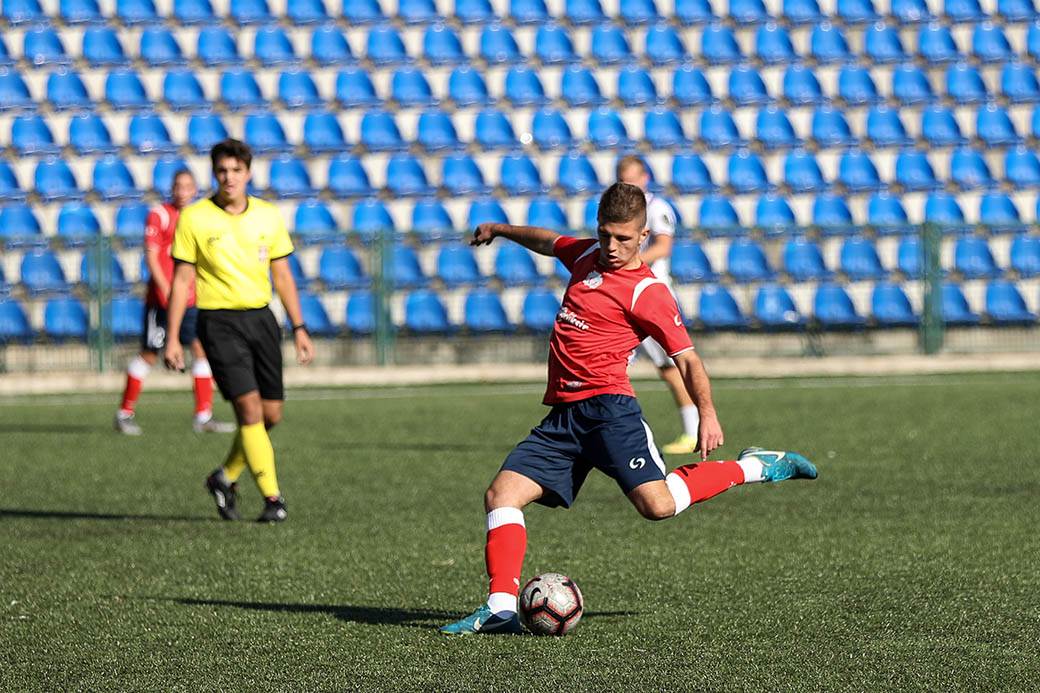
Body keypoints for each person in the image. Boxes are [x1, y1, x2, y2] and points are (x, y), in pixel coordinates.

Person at [440, 183, 817, 635]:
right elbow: (547, 241)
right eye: (605, 235)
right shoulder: (584, 257)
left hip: (609, 412)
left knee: (657, 506)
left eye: (623, 238)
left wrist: (708, 414)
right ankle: (500, 610)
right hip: (564, 416)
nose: (612, 247)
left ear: (643, 236)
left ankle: (753, 466)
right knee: (501, 495)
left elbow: (688, 358)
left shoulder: (648, 292)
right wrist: (500, 229)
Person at [164, 139, 314, 523]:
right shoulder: (194, 218)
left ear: (248, 173)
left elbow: (282, 274)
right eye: (222, 171)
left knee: (271, 415)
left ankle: (224, 476)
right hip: (218, 323)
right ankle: (273, 499)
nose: (229, 178)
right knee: (248, 411)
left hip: (262, 320)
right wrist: (173, 336)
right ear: (214, 174)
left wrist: (299, 327)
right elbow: (182, 281)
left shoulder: (267, 215)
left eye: (236, 170)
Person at [114, 169, 235, 436]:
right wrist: (166, 289)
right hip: (161, 299)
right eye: (178, 186)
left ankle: (203, 417)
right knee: (149, 353)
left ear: (195, 190)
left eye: (187, 187)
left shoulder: (198, 218)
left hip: (191, 299)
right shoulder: (160, 214)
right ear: (172, 188)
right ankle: (124, 413)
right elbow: (152, 257)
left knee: (201, 350)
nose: (182, 191)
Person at [616, 155, 699, 455]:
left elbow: (663, 246)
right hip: (627, 295)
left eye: (632, 179)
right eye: (622, 180)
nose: (628, 185)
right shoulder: (622, 211)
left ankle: (693, 431)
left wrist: (630, 262)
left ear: (645, 178)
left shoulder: (657, 208)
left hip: (652, 296)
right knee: (617, 365)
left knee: (670, 365)